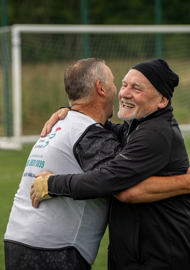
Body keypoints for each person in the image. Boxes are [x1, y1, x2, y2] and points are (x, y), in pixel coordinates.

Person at [31, 59, 190, 270]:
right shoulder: (136, 127)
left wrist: (52, 185)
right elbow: (105, 128)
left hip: (161, 257)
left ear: (162, 100)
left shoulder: (155, 134)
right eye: (124, 85)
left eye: (136, 88)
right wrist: (72, 112)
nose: (124, 93)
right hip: (135, 255)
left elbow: (109, 179)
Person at [4, 58, 121, 270]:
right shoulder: (90, 134)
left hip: (20, 240)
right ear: (101, 88)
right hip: (53, 249)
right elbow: (123, 183)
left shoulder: (63, 124)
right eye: (113, 83)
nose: (117, 89)